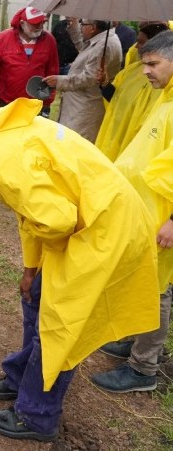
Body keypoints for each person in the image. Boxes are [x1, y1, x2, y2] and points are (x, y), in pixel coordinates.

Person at [0, 96, 158, 442]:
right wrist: (31, 268)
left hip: (103, 229)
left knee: (60, 323)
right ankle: (20, 376)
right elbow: (31, 213)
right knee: (35, 295)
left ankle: (36, 416)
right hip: (87, 216)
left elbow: (54, 219)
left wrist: (45, 263)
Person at [91, 30, 173, 393]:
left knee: (158, 289)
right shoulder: (164, 98)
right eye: (145, 65)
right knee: (142, 282)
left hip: (163, 219)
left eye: (154, 64)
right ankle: (135, 340)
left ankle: (143, 368)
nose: (147, 72)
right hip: (146, 210)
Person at [95, 23, 168, 161]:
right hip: (115, 136)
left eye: (141, 42)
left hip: (136, 145)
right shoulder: (131, 70)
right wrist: (105, 84)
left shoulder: (163, 81)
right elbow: (115, 100)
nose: (136, 47)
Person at [42, 19, 121, 142]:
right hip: (78, 105)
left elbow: (90, 78)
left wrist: (59, 81)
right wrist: (73, 27)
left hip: (85, 108)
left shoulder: (105, 45)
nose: (80, 27)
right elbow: (83, 47)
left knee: (75, 144)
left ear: (93, 28)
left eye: (82, 24)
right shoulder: (100, 40)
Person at [0, 7, 59, 117]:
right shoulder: (3, 38)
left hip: (36, 103)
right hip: (7, 102)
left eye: (42, 23)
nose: (39, 26)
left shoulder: (49, 40)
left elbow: (53, 71)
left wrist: (48, 99)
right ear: (22, 23)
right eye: (34, 24)